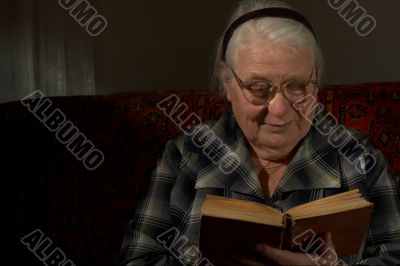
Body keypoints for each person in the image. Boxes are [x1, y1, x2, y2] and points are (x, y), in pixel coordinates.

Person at [120, 0, 400, 265]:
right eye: (257, 88)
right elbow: (138, 259)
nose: (279, 109)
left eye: (298, 85)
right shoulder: (184, 155)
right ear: (227, 81)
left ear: (316, 79)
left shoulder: (359, 157)